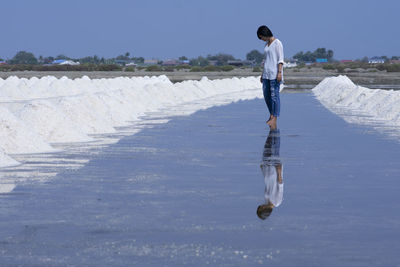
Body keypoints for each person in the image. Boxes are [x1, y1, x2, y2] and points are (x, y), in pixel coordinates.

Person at [257, 25, 284, 130]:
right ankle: (271, 115)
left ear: (265, 34)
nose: (261, 39)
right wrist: (262, 74)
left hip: (274, 74)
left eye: (261, 37)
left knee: (274, 96)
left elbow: (280, 59)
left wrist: (280, 72)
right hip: (266, 74)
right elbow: (265, 60)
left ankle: (274, 117)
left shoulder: (277, 43)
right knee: (266, 95)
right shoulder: (266, 44)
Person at [257, 128, 283, 220]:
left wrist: (263, 170)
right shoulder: (277, 202)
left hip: (266, 167)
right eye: (261, 208)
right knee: (274, 142)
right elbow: (280, 185)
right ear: (264, 210)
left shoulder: (267, 200)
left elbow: (268, 183)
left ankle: (273, 124)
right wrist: (279, 171)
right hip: (274, 166)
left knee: (268, 142)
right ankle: (274, 122)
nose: (261, 205)